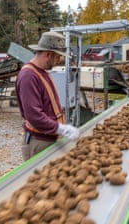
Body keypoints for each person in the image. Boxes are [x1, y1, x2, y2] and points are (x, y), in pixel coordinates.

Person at [15, 31, 80, 161]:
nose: (58, 61)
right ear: (48, 54)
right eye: (57, 57)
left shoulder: (42, 72)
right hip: (39, 142)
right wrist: (60, 128)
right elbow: (34, 115)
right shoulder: (29, 76)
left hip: (49, 139)